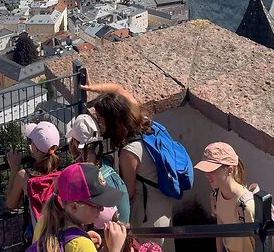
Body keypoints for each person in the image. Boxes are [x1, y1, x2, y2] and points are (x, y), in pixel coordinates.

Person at [81, 80, 173, 252]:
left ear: (113, 122)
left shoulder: (129, 153)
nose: (100, 125)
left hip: (147, 213)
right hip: (164, 202)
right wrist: (92, 88)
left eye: (101, 120)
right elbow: (118, 89)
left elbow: (127, 192)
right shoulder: (143, 122)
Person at [29, 162, 126, 252]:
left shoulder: (45, 221)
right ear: (73, 207)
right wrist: (115, 249)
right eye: (97, 204)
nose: (102, 209)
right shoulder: (81, 245)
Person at [194, 142, 260, 252]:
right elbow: (220, 230)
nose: (206, 174)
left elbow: (260, 245)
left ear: (229, 170)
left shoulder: (248, 206)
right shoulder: (217, 195)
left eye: (211, 170)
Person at [67, 113, 131, 225]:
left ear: (76, 143)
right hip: (123, 230)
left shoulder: (89, 183)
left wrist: (76, 155)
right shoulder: (107, 163)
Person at [6, 121, 63, 222]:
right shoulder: (62, 175)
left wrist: (14, 169)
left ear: (34, 148)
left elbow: (10, 204)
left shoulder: (24, 177)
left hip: (39, 235)